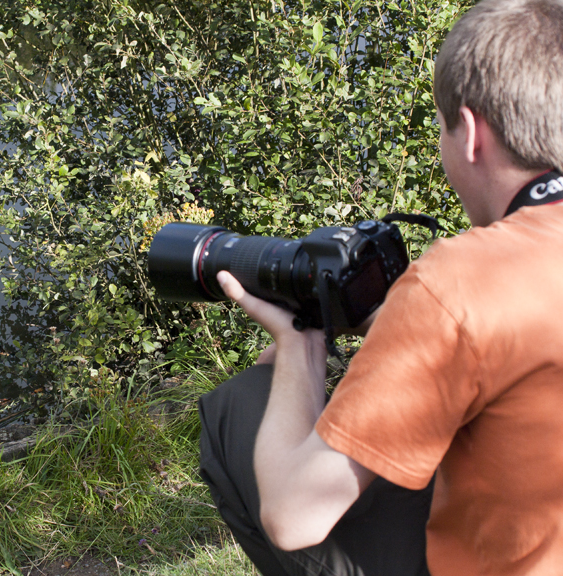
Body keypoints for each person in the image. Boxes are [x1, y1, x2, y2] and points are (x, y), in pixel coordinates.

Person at [198, 0, 563, 574]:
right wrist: (397, 327)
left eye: (441, 127)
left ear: (470, 134)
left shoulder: (462, 282)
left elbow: (294, 517)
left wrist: (299, 344)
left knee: (237, 407)